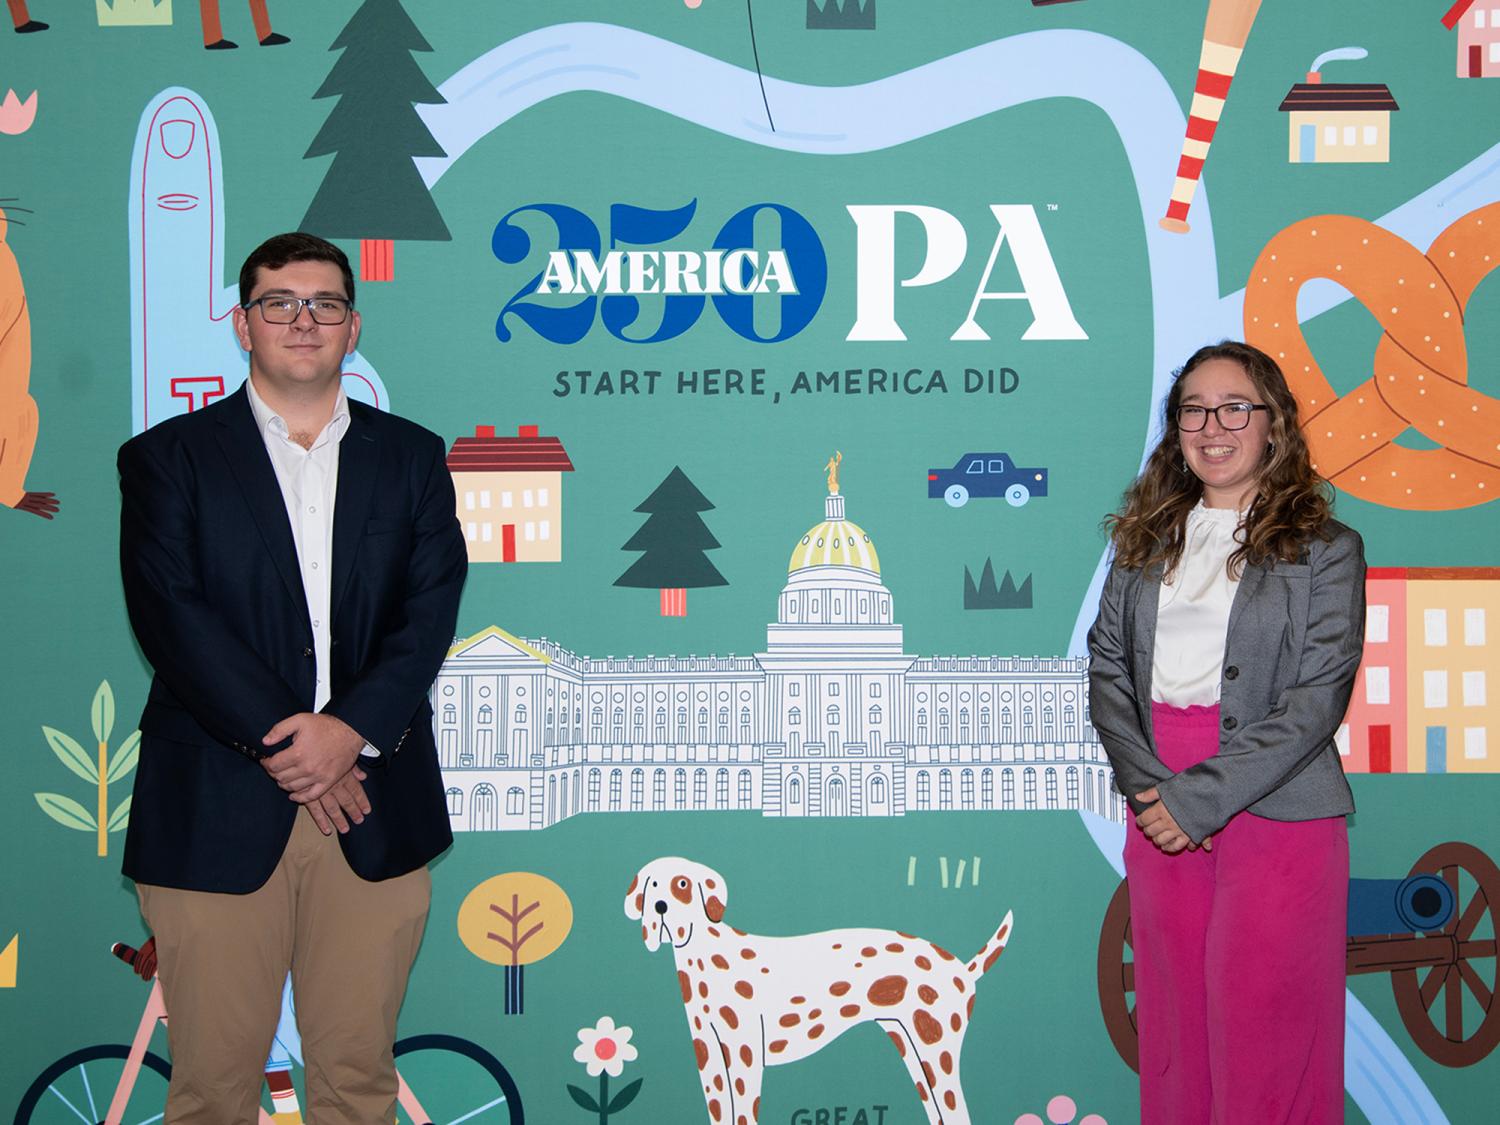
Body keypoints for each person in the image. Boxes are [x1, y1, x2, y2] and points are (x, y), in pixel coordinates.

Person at [118, 232, 466, 1123]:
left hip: (373, 804)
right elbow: (172, 617)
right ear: (243, 325)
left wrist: (347, 733)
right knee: (213, 1088)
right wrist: (299, 747)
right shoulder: (167, 459)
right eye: (279, 302)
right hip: (213, 805)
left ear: (354, 327)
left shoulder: (413, 457)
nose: (303, 320)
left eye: (326, 304)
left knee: (357, 1081)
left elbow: (429, 609)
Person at [1087, 340, 1365, 1124]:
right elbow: (1107, 669)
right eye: (1194, 410)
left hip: (1277, 805)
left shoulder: (1328, 550)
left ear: (1274, 423)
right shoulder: (1140, 542)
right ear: (1176, 428)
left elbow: (1317, 700)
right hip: (1158, 805)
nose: (1213, 427)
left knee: (1264, 1027)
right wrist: (1152, 793)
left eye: (1235, 407)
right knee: (1176, 1025)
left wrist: (1197, 801)